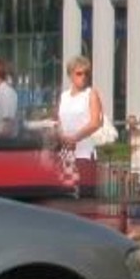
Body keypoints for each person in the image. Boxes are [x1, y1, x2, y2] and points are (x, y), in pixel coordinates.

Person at [55, 55, 109, 197]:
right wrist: (62, 137)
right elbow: (59, 121)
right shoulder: (64, 96)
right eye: (79, 73)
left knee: (85, 195)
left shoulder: (90, 94)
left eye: (86, 73)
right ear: (70, 75)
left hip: (84, 152)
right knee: (64, 194)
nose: (83, 77)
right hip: (66, 154)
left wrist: (75, 138)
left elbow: (95, 122)